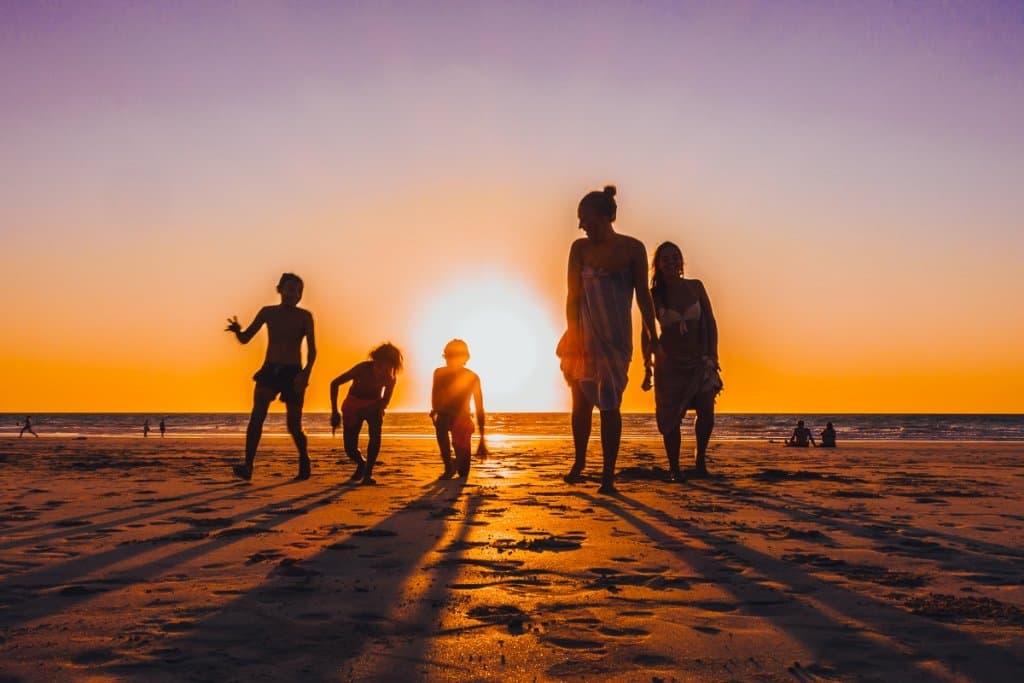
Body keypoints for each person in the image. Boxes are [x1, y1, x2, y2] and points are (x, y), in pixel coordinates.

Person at [558, 185, 658, 494]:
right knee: (580, 404)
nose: (583, 226)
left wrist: (653, 333)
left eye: (588, 220)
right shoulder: (579, 249)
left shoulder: (633, 248)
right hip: (583, 334)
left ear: (606, 216)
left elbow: (643, 294)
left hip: (616, 338)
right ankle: (579, 462)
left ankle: (608, 474)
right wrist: (573, 335)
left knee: (611, 404)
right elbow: (572, 295)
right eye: (580, 221)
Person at [641, 241, 722, 481]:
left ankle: (700, 461)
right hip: (669, 365)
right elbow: (646, 332)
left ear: (681, 261)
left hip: (700, 360)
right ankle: (674, 468)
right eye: (665, 259)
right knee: (671, 417)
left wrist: (713, 353)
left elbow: (711, 320)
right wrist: (647, 366)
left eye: (675, 257)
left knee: (707, 410)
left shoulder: (696, 286)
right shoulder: (654, 295)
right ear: (658, 264)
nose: (671, 262)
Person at [225, 272, 316, 481]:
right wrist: (237, 331)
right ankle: (248, 465)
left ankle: (304, 459)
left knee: (293, 425)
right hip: (270, 369)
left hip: (293, 372)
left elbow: (312, 349)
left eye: (298, 291)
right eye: (291, 289)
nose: (294, 294)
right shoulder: (268, 312)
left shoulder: (305, 317)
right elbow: (246, 338)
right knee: (257, 416)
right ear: (280, 289)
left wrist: (306, 373)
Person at [329, 343, 403, 485]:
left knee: (375, 435)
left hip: (374, 405)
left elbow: (385, 401)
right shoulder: (362, 368)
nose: (383, 371)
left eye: (388, 368)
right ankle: (361, 463)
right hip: (353, 404)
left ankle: (368, 474)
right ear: (375, 361)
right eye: (380, 367)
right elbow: (334, 383)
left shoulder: (391, 378)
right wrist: (334, 411)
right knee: (350, 449)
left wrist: (371, 409)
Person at [430, 339, 487, 479]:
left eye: (456, 356)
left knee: (463, 472)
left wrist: (482, 438)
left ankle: (456, 463)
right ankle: (448, 466)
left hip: (463, 419)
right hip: (444, 415)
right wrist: (436, 411)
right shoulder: (439, 373)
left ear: (465, 358)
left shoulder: (472, 377)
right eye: (449, 356)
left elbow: (479, 407)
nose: (451, 360)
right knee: (441, 424)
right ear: (446, 356)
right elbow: (435, 395)